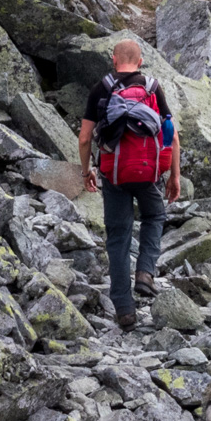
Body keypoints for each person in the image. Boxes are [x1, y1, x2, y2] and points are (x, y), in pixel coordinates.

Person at [79, 39, 182, 327]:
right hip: (149, 174)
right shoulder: (152, 87)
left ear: (114, 60)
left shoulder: (102, 88)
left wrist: (86, 170)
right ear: (140, 61)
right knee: (155, 216)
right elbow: (171, 135)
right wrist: (174, 176)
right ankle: (146, 273)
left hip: (113, 175)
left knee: (119, 237)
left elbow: (85, 137)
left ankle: (125, 310)